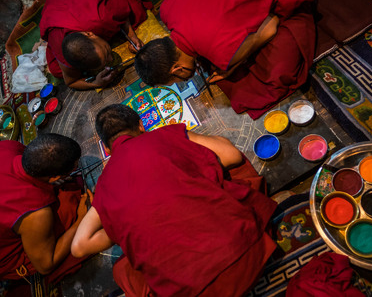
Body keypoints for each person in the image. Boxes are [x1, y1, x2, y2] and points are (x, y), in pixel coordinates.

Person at [71, 104, 278, 296]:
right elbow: (232, 155)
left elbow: (78, 246)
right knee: (233, 174)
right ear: (142, 125)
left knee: (123, 270)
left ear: (106, 149)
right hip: (249, 254)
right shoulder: (165, 135)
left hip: (190, 291)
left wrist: (125, 224)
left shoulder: (105, 184)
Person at [134, 0, 316, 119]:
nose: (183, 79)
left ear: (177, 69)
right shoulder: (166, 8)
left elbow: (270, 27)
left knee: (277, 72)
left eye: (177, 79)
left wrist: (233, 65)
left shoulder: (222, 55)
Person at [0, 134, 91, 284]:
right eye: (74, 167)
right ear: (54, 177)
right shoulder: (35, 213)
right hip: (8, 255)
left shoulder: (8, 147)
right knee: (70, 207)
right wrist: (81, 220)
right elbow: (46, 265)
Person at [39, 0, 153, 90]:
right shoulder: (58, 43)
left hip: (86, 4)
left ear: (90, 34)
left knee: (136, 12)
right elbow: (71, 82)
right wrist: (96, 84)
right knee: (57, 70)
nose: (111, 60)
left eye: (107, 52)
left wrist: (131, 36)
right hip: (56, 9)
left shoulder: (101, 16)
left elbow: (121, 11)